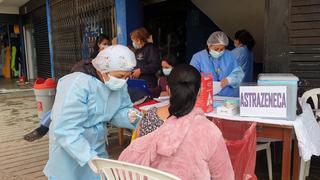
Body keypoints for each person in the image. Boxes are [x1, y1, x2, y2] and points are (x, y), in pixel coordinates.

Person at [119, 64, 234, 180]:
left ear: (168, 89)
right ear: (199, 91)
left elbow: (137, 158)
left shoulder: (148, 118)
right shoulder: (209, 131)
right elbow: (224, 176)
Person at [44, 45, 142, 180]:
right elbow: (66, 129)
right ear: (103, 70)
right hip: (70, 148)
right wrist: (88, 156)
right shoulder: (76, 84)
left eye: (127, 76)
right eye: (120, 76)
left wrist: (131, 117)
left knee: (98, 175)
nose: (123, 80)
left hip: (97, 146)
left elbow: (118, 110)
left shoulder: (119, 83)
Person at [23, 34, 110, 142]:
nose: (106, 47)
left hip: (100, 94)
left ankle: (44, 129)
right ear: (98, 44)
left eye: (108, 44)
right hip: (87, 92)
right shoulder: (92, 60)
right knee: (62, 106)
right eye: (104, 44)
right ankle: (42, 128)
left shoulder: (111, 59)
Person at [190, 31, 244, 97]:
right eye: (216, 49)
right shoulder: (198, 57)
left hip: (227, 97)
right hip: (205, 97)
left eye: (222, 49)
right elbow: (191, 76)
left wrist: (229, 80)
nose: (219, 51)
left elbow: (239, 73)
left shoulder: (229, 55)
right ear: (209, 46)